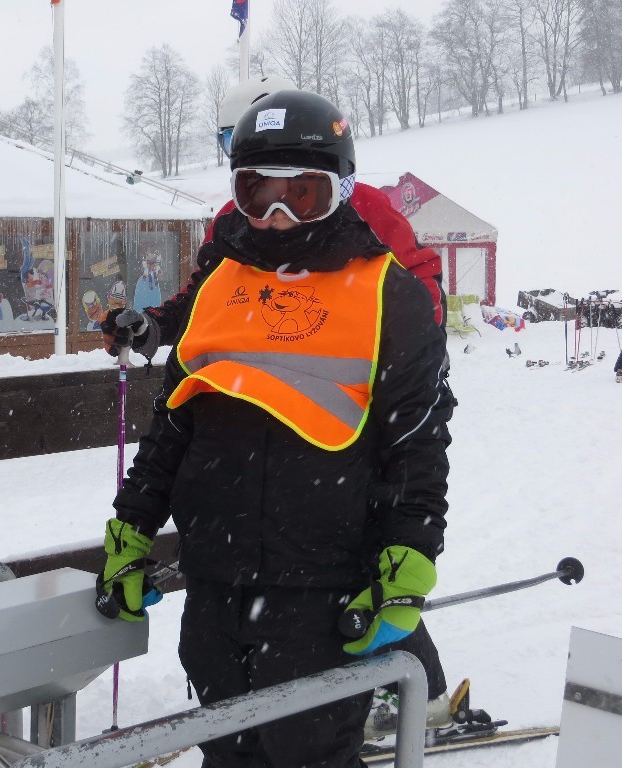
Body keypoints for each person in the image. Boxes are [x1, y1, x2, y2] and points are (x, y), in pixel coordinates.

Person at [95, 90, 454, 768]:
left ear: (340, 189)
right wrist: (133, 525)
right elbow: (175, 420)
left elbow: (417, 441)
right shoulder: (221, 280)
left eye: (302, 195)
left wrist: (409, 551)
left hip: (320, 584)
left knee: (309, 753)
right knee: (227, 751)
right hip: (215, 578)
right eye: (257, 194)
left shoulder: (387, 291)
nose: (277, 216)